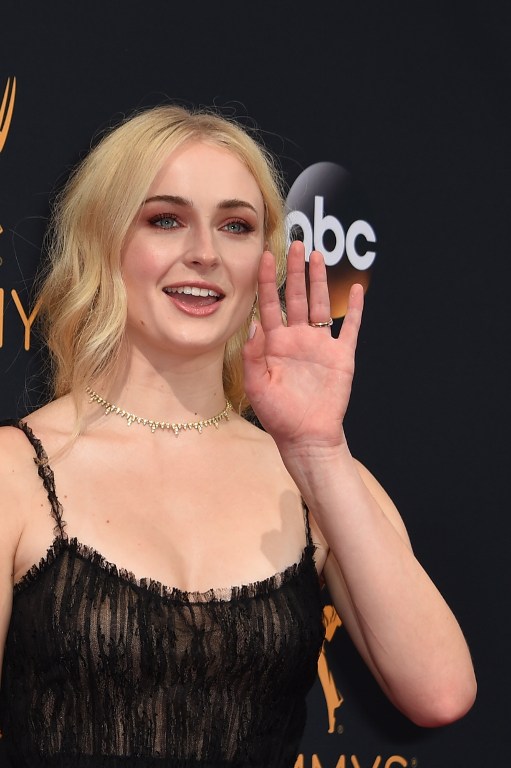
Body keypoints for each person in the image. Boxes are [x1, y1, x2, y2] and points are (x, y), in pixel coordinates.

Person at [0, 105, 476, 767]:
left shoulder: (310, 474)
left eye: (235, 225)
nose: (205, 252)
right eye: (165, 219)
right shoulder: (14, 473)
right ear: (103, 239)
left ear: (263, 258)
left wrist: (317, 451)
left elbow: (440, 691)